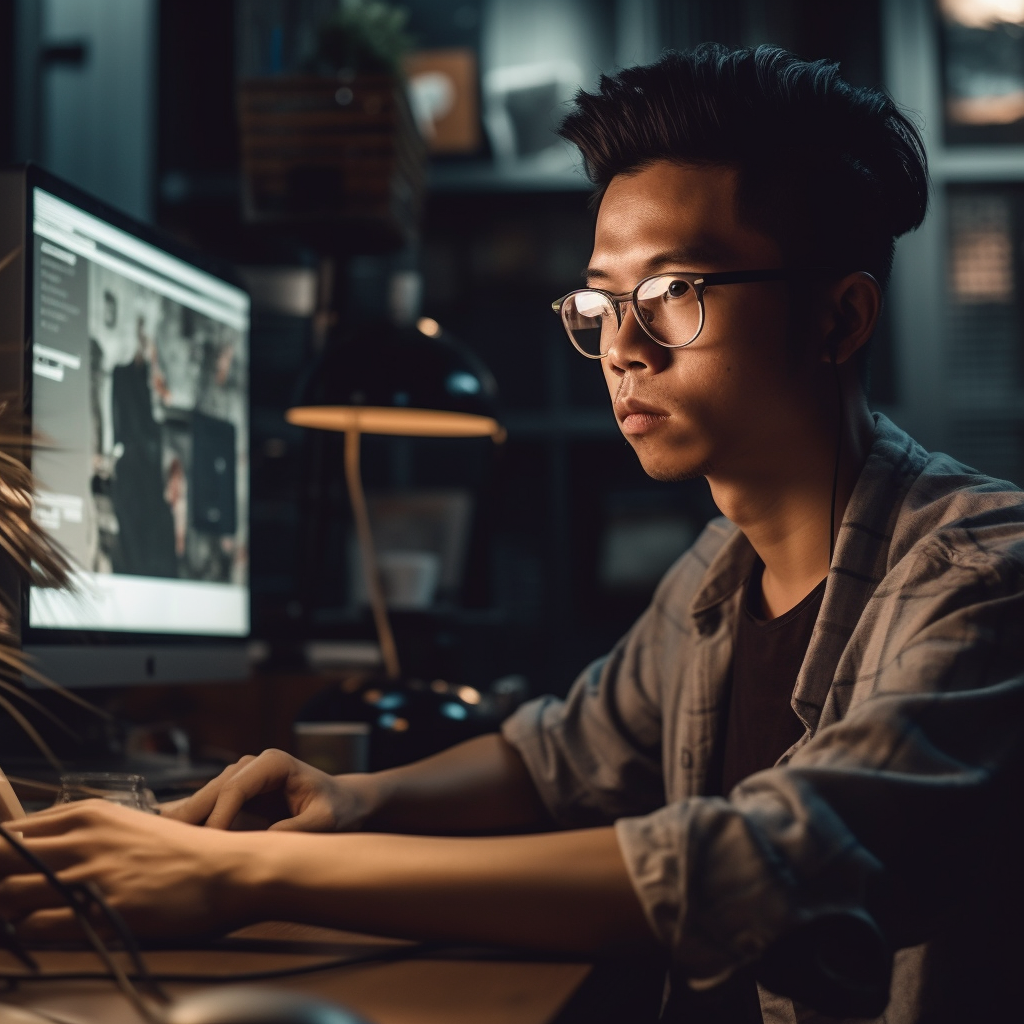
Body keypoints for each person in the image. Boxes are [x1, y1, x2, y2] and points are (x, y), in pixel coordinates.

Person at [2, 45, 1023, 1024]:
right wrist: (352, 800)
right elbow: (558, 755)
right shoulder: (717, 574)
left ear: (838, 320)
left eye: (673, 295)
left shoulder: (981, 577)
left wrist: (252, 874)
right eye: (601, 302)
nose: (620, 349)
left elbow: (761, 860)